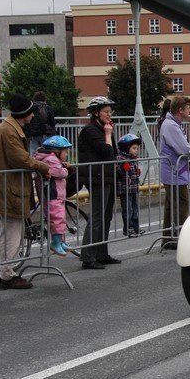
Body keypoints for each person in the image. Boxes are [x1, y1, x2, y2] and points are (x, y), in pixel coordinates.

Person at [0, 93, 51, 288]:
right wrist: (43, 167)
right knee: (12, 234)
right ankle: (7, 275)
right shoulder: (9, 131)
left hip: (9, 187)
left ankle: (4, 273)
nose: (33, 116)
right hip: (9, 190)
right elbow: (20, 159)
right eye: (31, 113)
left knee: (10, 233)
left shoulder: (9, 127)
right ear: (24, 114)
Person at [78, 95, 121, 269]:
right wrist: (108, 134)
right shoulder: (91, 130)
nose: (109, 115)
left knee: (106, 217)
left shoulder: (103, 128)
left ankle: (102, 254)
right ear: (96, 113)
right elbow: (107, 152)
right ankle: (88, 256)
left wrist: (108, 133)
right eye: (106, 111)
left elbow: (114, 152)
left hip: (107, 176)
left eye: (110, 111)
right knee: (97, 217)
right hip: (97, 178)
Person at [159, 96, 190, 247]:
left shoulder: (172, 123)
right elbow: (183, 149)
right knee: (181, 203)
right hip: (175, 171)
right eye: (188, 108)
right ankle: (178, 237)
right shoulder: (171, 126)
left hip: (174, 171)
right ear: (180, 110)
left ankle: (168, 238)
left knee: (171, 204)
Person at [35, 135, 75, 256]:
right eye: (65, 152)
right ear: (57, 152)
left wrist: (62, 164)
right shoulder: (50, 160)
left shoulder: (52, 159)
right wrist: (66, 169)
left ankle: (61, 241)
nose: (66, 154)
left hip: (56, 194)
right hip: (52, 194)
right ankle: (56, 243)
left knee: (60, 218)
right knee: (57, 218)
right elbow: (60, 173)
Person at [116, 133, 144, 237]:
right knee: (128, 210)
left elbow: (135, 173)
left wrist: (138, 172)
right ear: (126, 148)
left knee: (135, 209)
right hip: (125, 189)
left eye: (137, 148)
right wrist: (122, 168)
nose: (136, 150)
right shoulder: (121, 159)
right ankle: (128, 228)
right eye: (134, 148)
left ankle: (136, 227)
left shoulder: (134, 159)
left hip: (134, 188)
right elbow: (118, 172)